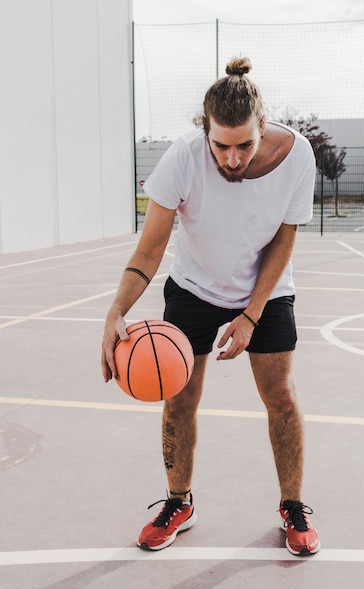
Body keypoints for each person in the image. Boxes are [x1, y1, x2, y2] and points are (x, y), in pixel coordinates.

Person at [101, 57, 320, 556]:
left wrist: (250, 315)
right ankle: (179, 501)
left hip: (266, 288)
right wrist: (115, 311)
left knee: (281, 396)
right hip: (194, 287)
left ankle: (293, 505)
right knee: (178, 398)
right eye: (221, 145)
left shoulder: (298, 155)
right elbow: (151, 248)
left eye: (244, 144)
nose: (232, 157)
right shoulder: (183, 157)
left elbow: (283, 241)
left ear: (262, 126)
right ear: (205, 131)